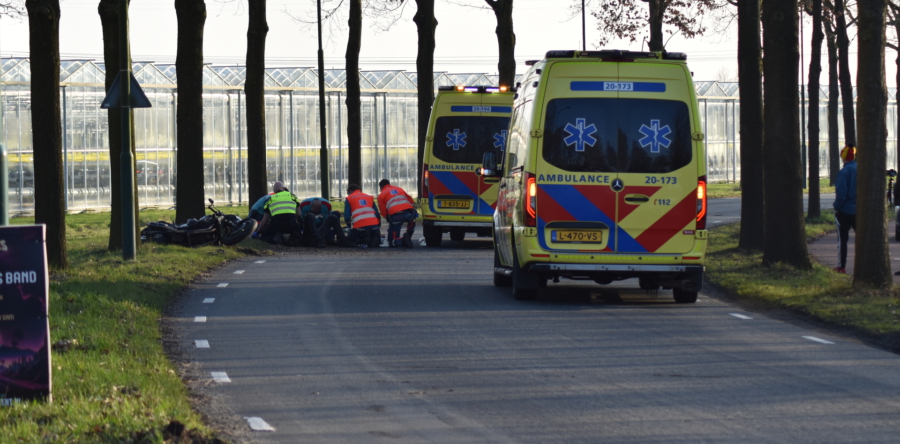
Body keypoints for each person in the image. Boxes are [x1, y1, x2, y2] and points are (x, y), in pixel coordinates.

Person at [833, 145, 857, 274]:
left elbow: (841, 193)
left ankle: (841, 266)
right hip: (860, 211)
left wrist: (837, 207)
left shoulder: (843, 173)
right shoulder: (861, 169)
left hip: (845, 211)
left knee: (843, 240)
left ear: (843, 157)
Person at [377, 179, 417, 248]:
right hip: (410, 213)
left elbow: (383, 211)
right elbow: (411, 200)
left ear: (381, 187)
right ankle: (408, 235)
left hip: (397, 216)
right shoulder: (399, 189)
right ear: (389, 184)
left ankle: (401, 240)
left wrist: (388, 218)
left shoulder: (381, 195)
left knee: (392, 241)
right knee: (412, 220)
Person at [344, 184, 382, 248]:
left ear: (350, 191)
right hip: (374, 225)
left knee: (350, 240)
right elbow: (376, 213)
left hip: (360, 226)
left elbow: (347, 216)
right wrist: (377, 226)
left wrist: (349, 226)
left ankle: (364, 237)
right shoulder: (369, 197)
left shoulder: (349, 198)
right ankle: (372, 236)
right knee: (375, 235)